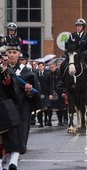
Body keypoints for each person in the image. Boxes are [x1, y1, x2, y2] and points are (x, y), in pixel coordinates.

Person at [3, 42, 41, 170]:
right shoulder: (3, 70)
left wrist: (29, 91)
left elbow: (35, 94)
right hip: (6, 108)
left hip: (21, 108)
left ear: (19, 54)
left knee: (19, 135)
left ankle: (13, 161)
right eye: (9, 52)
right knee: (6, 137)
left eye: (14, 53)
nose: (12, 55)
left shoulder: (27, 73)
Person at [59, 18, 87, 90]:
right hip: (73, 56)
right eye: (77, 26)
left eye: (80, 26)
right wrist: (69, 51)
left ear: (83, 27)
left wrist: (85, 52)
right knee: (63, 65)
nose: (78, 28)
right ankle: (61, 82)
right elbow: (67, 46)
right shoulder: (71, 36)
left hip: (83, 56)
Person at [0, 50, 18, 170]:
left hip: (4, 107)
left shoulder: (5, 71)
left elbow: (8, 85)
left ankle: (13, 160)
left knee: (9, 136)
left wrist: (5, 68)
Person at [35, 62, 53, 127]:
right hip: (38, 93)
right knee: (40, 108)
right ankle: (40, 122)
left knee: (47, 108)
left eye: (41, 66)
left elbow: (50, 84)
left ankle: (47, 120)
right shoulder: (35, 74)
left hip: (46, 93)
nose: (40, 67)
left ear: (44, 67)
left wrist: (50, 94)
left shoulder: (48, 74)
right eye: (39, 66)